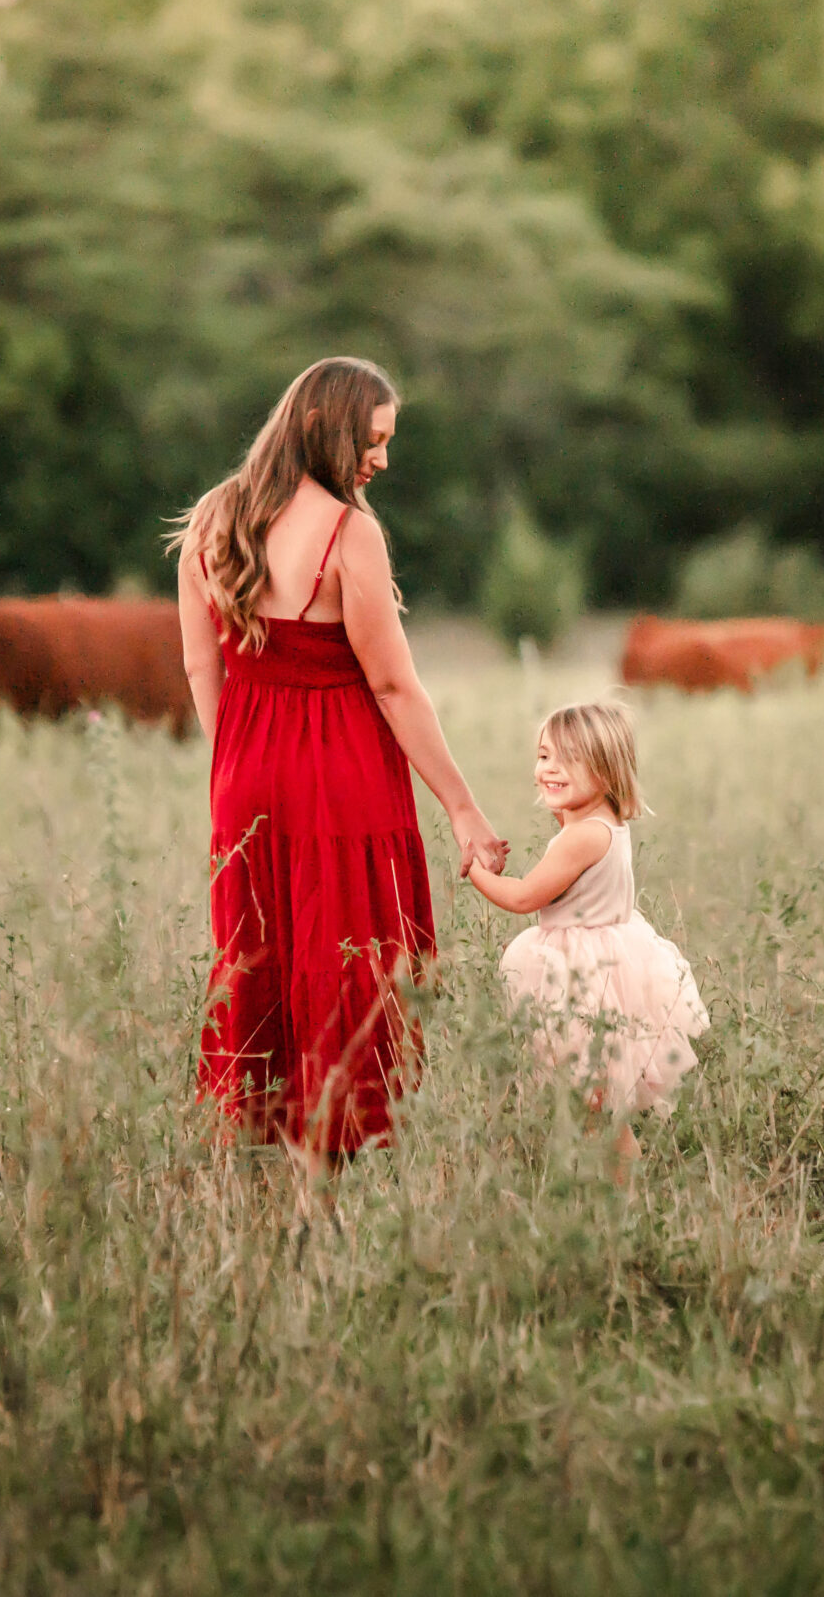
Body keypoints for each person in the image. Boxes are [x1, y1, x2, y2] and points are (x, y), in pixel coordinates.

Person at [172, 357, 508, 1168]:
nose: (383, 459)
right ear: (328, 426)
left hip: (244, 771)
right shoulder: (350, 532)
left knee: (256, 956)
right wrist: (463, 805)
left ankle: (252, 1140)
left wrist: (237, 767)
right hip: (340, 768)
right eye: (374, 438)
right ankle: (334, 1150)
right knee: (345, 954)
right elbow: (392, 684)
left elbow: (198, 668)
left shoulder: (212, 520)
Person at [467, 701, 708, 1166]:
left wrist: (474, 866)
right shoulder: (603, 824)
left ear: (606, 768)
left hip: (582, 979)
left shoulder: (582, 837)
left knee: (593, 1109)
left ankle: (624, 1197)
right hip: (610, 968)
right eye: (543, 757)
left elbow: (522, 898)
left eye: (568, 759)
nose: (549, 770)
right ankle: (605, 1189)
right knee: (591, 1107)